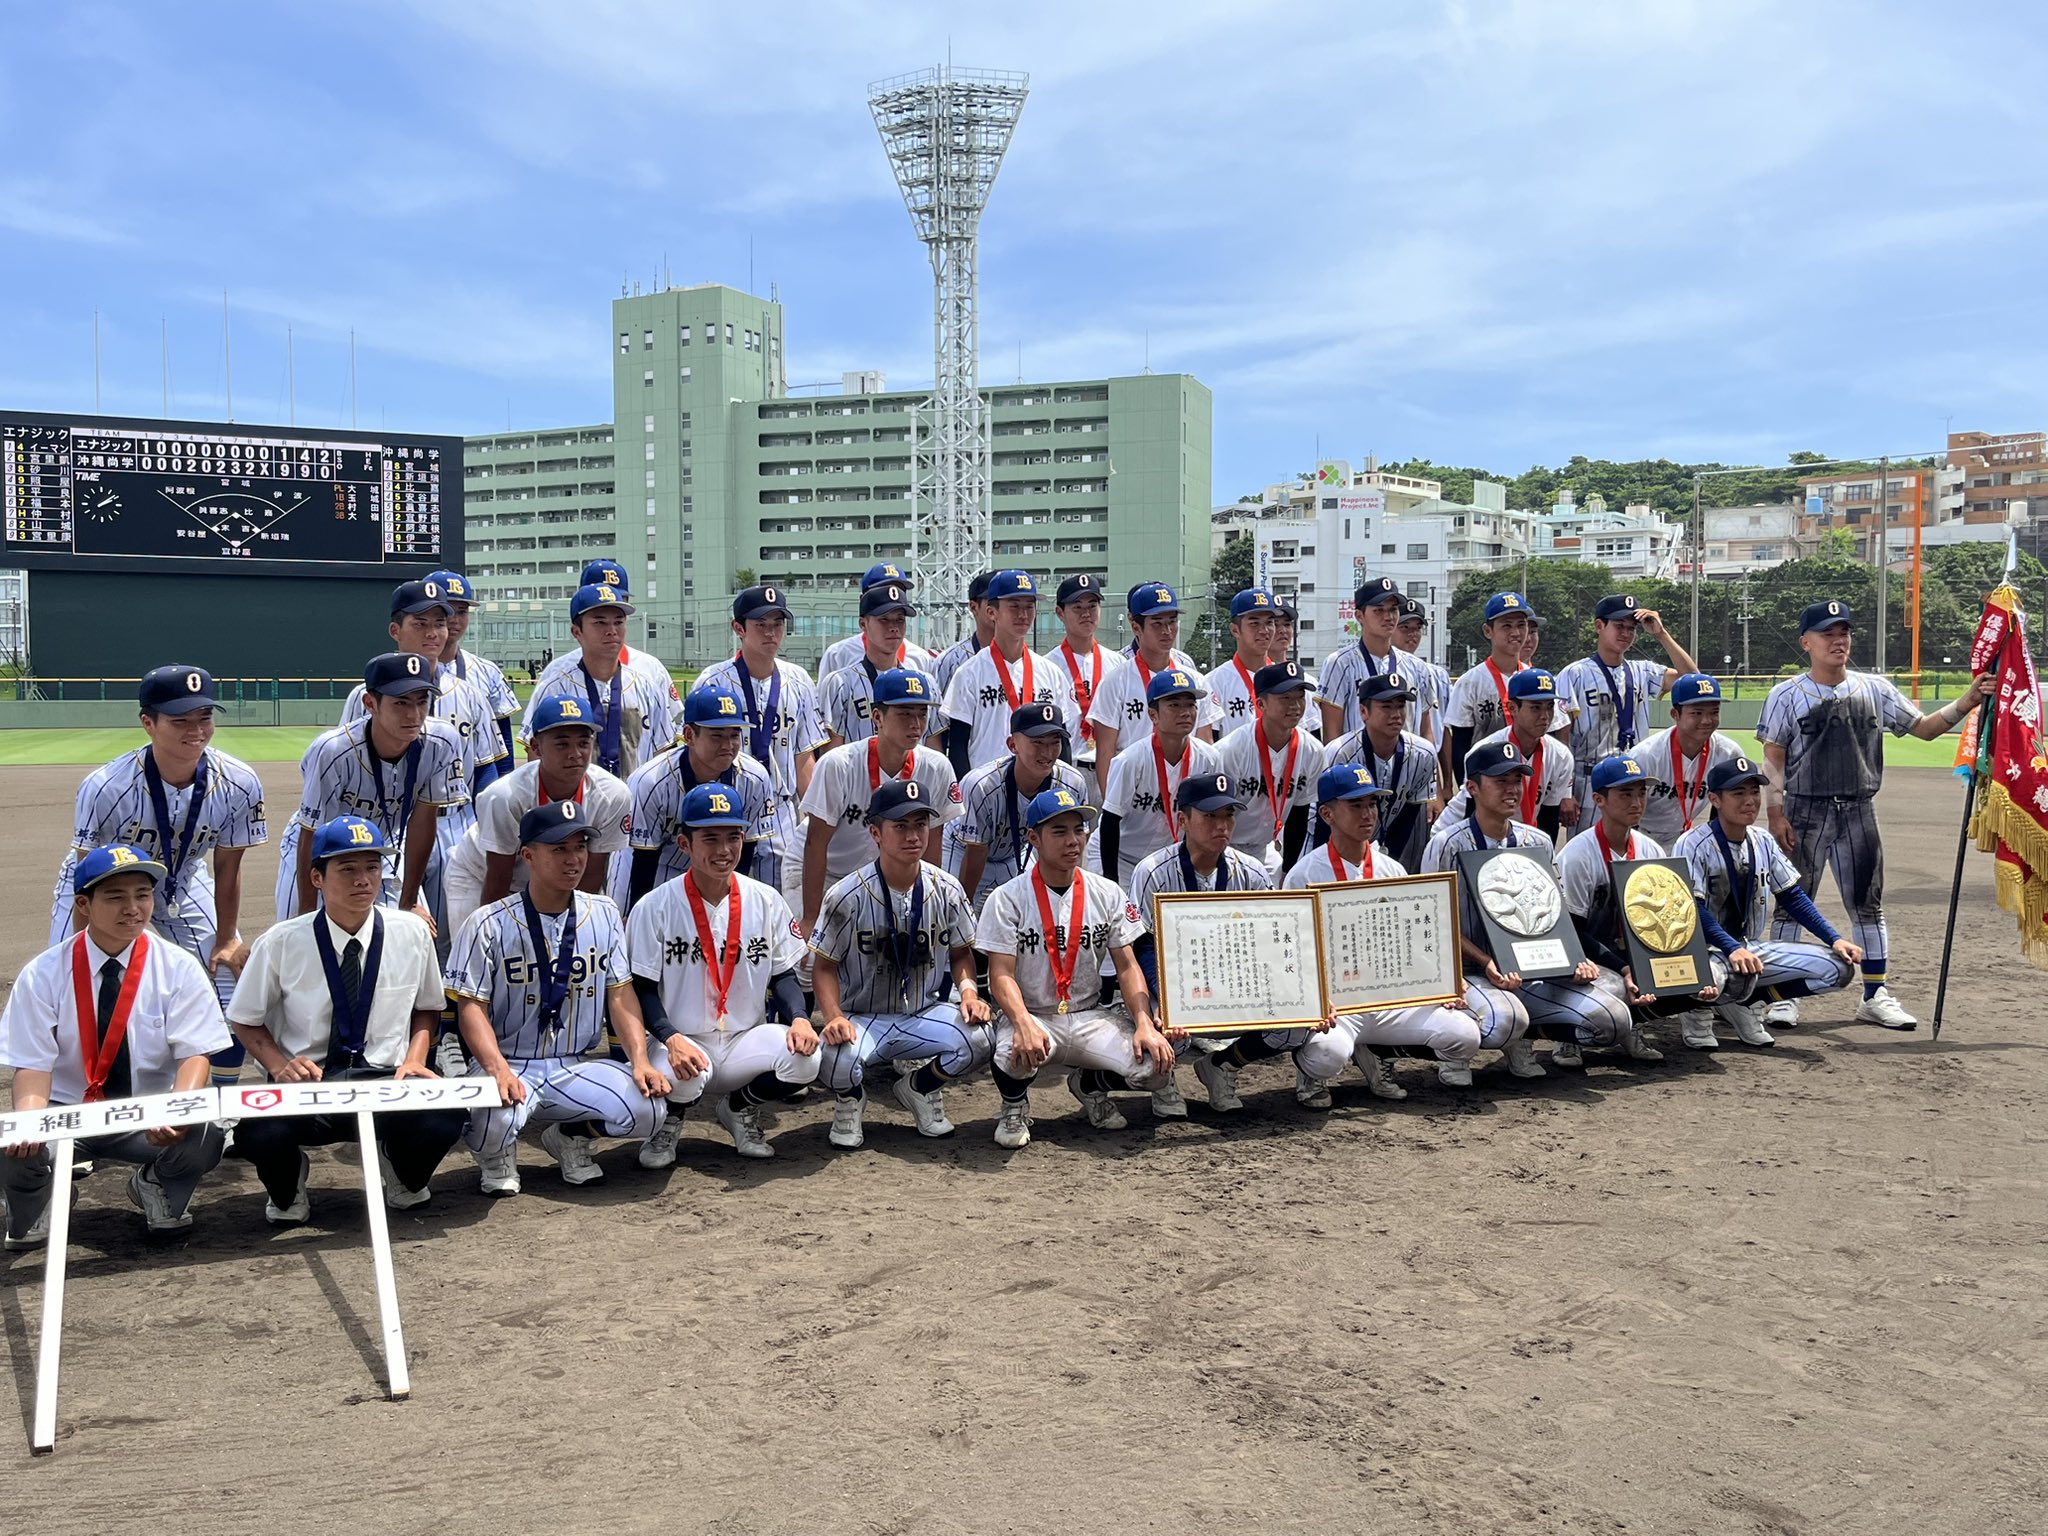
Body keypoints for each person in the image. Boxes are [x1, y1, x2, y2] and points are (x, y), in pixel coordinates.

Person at [1756, 599, 1992, 1029]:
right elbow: (1773, 758)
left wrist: (1968, 701)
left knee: (1868, 905)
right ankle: (1783, 996)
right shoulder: (1785, 695)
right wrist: (1775, 814)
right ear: (1806, 642)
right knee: (1790, 904)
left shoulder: (1875, 689)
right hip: (1804, 811)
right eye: (1827, 633)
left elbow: (1924, 728)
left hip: (1859, 811)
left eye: (1843, 632)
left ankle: (1875, 994)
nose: (1838, 640)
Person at [227, 818, 469, 1221]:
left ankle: (401, 1168)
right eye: (348, 869)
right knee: (257, 1132)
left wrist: (415, 1059)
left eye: (372, 867)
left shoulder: (411, 933)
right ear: (317, 878)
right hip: (310, 1083)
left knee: (447, 1116)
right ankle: (288, 1186)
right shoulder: (281, 941)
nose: (363, 880)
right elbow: (245, 1018)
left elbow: (427, 1007)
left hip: (385, 1080)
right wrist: (279, 1065)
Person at [448, 801, 688, 1195]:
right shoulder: (487, 922)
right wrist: (497, 1069)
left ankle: (570, 1138)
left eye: (580, 847)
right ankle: (495, 1154)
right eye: (559, 848)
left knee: (648, 1110)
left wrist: (640, 1060)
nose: (573, 858)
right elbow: (471, 1007)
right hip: (508, 1061)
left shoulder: (605, 913)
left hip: (573, 1064)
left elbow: (620, 994)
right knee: (496, 1119)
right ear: (528, 855)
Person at [2, 845, 231, 1247]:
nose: (133, 908)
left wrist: (177, 1108)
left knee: (206, 1131)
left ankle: (158, 1184)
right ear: (83, 905)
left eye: (143, 895)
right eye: (115, 897)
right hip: (66, 1112)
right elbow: (33, 1064)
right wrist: (30, 1123)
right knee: (12, 1145)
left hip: (147, 1111)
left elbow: (195, 1052)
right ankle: (39, 1198)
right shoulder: (43, 973)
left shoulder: (178, 967)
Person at [51, 665, 267, 1088]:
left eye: (204, 716)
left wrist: (226, 937)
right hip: (103, 886)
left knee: (230, 984)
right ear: (148, 723)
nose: (196, 730)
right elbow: (86, 873)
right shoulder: (107, 787)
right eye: (180, 720)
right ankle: (75, 1103)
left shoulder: (239, 782)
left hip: (183, 879)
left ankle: (217, 1109)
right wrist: (85, 948)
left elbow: (228, 866)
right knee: (72, 989)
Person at [976, 786, 1179, 1148]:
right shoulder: (1007, 898)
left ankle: (1089, 1085)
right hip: (1034, 1014)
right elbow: (1000, 974)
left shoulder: (1107, 892)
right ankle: (1014, 1105)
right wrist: (1021, 1022)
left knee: (1156, 1065)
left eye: (1079, 830)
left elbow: (1127, 966)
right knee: (1010, 1053)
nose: (1073, 841)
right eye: (1059, 831)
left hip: (1088, 1015)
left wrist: (1144, 1023)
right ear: (1034, 838)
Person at [627, 783, 819, 1161]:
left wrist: (799, 1017)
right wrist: (670, 1037)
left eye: (733, 837)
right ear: (684, 844)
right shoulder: (655, 906)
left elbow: (783, 974)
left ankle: (739, 1108)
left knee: (806, 1060)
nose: (724, 849)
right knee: (685, 1078)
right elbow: (642, 988)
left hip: (744, 1039)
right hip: (680, 1040)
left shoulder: (765, 899)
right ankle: (671, 1121)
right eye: (710, 838)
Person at [1280, 765, 1492, 1098]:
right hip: (1337, 1004)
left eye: (1372, 804)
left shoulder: (1391, 869)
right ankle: (1311, 1075)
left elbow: (1415, 941)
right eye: (1355, 805)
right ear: (1327, 814)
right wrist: (1315, 999)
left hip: (1389, 998)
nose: (1368, 814)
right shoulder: (1304, 874)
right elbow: (1290, 953)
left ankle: (1379, 1054)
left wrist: (1444, 983)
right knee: (1327, 1056)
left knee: (1464, 1035)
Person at [1420, 741, 1631, 1074]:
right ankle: (1459, 1050)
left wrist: (1574, 959)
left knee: (1613, 1020)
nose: (1512, 789)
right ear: (1472, 788)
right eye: (1500, 781)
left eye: (1517, 780)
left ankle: (1524, 1035)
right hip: (1470, 972)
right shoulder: (1446, 844)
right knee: (1504, 1022)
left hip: (1532, 971)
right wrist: (1486, 961)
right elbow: (1432, 923)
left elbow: (1556, 914)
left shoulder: (1538, 842)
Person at [1125, 773, 1323, 1111]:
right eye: (1210, 816)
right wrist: (1169, 999)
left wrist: (1307, 994)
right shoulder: (1153, 871)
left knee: (1296, 1026)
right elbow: (1142, 944)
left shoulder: (1252, 871)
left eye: (1228, 815)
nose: (1222, 825)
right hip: (1177, 988)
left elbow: (1276, 940)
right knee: (1165, 1027)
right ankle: (1165, 1079)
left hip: (1237, 986)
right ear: (1183, 820)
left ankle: (1222, 1065)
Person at [810, 781, 991, 1148]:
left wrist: (969, 994)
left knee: (983, 1036)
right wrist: (833, 1017)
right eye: (901, 826)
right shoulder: (846, 895)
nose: (913, 835)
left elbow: (961, 953)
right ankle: (851, 1099)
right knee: (832, 1057)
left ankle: (919, 1088)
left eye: (920, 824)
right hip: (862, 1018)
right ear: (875, 833)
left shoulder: (947, 888)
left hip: (922, 1013)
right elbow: (824, 966)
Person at [1675, 755, 1863, 1048]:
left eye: (1754, 792)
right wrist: (1732, 948)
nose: (1750, 800)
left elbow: (1792, 896)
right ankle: (1698, 1013)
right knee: (1712, 978)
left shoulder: (1761, 840)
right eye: (1738, 793)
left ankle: (1746, 1001)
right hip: (1702, 950)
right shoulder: (1692, 843)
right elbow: (1693, 910)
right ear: (1715, 799)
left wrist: (1835, 939)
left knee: (1838, 969)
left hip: (1747, 947)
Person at [1554, 755, 1726, 1050]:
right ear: (1599, 800)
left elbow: (1669, 920)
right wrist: (1624, 969)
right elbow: (1572, 933)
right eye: (1625, 794)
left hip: (1638, 955)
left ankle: (1635, 1027)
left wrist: (1693, 970)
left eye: (1641, 793)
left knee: (1713, 977)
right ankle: (1569, 1036)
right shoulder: (1577, 855)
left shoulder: (1650, 850)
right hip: (1587, 960)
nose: (1636, 802)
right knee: (1614, 990)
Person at [283, 652, 468, 925]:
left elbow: (422, 821)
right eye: (400, 703)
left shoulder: (441, 742)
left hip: (384, 845)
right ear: (370, 703)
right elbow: (312, 832)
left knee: (404, 930)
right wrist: (308, 914)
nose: (413, 714)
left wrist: (409, 902)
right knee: (298, 935)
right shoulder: (333, 751)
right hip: (321, 844)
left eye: (421, 701)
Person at [444, 695, 632, 933]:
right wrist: (492, 936)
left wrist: (572, 930)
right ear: (535, 747)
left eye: (583, 743)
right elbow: (498, 878)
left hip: (555, 881)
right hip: (481, 875)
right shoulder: (505, 796)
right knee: (480, 944)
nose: (575, 753)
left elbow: (592, 874)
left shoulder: (613, 795)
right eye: (562, 744)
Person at [799, 667, 960, 940]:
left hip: (888, 876)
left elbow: (932, 842)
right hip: (830, 872)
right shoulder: (838, 764)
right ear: (877, 717)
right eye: (905, 713)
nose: (916, 723)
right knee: (818, 951)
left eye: (922, 713)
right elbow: (816, 843)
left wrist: (928, 905)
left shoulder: (937, 767)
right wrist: (811, 918)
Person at [694, 584, 828, 913]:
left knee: (780, 906)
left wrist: (813, 815)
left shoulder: (798, 680)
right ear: (738, 628)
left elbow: (804, 757)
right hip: (725, 807)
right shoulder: (713, 681)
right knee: (721, 904)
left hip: (781, 810)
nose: (771, 633)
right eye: (761, 624)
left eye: (777, 624)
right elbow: (695, 752)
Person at [622, 682, 777, 912]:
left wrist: (731, 907)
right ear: (689, 735)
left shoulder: (754, 779)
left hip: (720, 871)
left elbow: (746, 850)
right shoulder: (651, 782)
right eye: (717, 736)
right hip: (660, 868)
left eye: (734, 735)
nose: (728, 745)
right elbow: (643, 858)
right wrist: (636, 915)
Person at [1556, 595, 1698, 834]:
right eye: (1619, 626)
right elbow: (1562, 738)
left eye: (1631, 628)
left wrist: (1661, 635)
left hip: (1634, 778)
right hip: (1591, 780)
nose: (1626, 633)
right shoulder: (1574, 674)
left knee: (1633, 851)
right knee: (1590, 849)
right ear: (1599, 625)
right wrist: (1565, 791)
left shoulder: (1643, 670)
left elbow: (1694, 681)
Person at [521, 583, 678, 781]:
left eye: (619, 622)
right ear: (577, 632)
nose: (612, 631)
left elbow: (664, 753)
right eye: (600, 622)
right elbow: (535, 754)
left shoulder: (647, 686)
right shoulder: (555, 686)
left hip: (635, 798)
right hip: (574, 798)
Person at [936, 569, 1078, 778]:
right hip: (986, 785)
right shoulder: (969, 672)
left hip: (1041, 785)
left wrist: (1060, 786)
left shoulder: (1050, 672)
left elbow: (1062, 741)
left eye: (1029, 606)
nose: (1023, 615)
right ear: (992, 612)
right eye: (1014, 606)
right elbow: (958, 745)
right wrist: (967, 790)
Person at [951, 703, 1094, 909]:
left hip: (1014, 855)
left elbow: (1076, 843)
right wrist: (965, 911)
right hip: (963, 850)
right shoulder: (981, 785)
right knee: (958, 910)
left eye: (1055, 742)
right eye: (1038, 742)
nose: (1047, 752)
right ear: (1013, 745)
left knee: (1037, 910)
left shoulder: (1072, 782)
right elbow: (976, 854)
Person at [1086, 582, 1220, 788]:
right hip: (1134, 789)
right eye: (1157, 624)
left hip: (1185, 787)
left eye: (1172, 622)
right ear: (1136, 627)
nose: (1167, 631)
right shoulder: (1115, 682)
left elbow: (1205, 744)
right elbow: (1105, 753)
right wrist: (1110, 802)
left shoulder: (1196, 681)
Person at [1100, 668, 1224, 888]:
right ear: (1153, 714)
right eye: (1174, 705)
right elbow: (1110, 822)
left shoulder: (1210, 758)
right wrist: (1111, 883)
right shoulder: (1130, 760)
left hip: (1172, 859)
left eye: (1190, 705)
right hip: (1123, 858)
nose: (1185, 712)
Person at [1431, 668, 1578, 839]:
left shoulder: (1560, 756)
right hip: (1468, 831)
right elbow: (1472, 811)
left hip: (1522, 836)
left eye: (1550, 706)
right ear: (1513, 708)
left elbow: (1548, 818)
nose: (1545, 716)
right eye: (1536, 707)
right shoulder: (1485, 750)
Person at [1316, 670, 1440, 870]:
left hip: (1388, 839)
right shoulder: (1340, 753)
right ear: (1363, 712)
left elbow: (1410, 816)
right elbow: (1324, 819)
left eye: (1401, 706)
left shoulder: (1423, 753)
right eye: (1386, 706)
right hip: (1330, 839)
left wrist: (1390, 863)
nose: (1396, 714)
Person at [1212, 659, 1321, 877]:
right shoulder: (1231, 750)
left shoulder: (1312, 750)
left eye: (1300, 696)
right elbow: (1213, 815)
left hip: (1266, 848)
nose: (1295, 705)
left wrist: (1288, 869)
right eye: (1285, 697)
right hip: (1222, 847)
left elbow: (1299, 814)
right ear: (1261, 704)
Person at [1633, 673, 1745, 849]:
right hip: (1641, 837)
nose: (1707, 720)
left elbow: (1727, 805)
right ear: (1675, 714)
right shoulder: (1646, 756)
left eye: (1714, 712)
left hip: (1688, 838)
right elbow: (1624, 808)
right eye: (1697, 713)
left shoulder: (1728, 753)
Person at [819, 581, 934, 747]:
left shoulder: (925, 682)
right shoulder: (839, 683)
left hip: (912, 765)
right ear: (863, 624)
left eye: (900, 620)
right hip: (857, 764)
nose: (893, 627)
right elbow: (831, 753)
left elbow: (933, 747)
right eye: (884, 619)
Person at [427, 568, 523, 761]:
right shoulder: (402, 670)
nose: (455, 619)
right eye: (448, 610)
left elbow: (503, 741)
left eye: (462, 611)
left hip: (473, 773)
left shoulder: (488, 671)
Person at [1441, 591, 1534, 786]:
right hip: (1486, 782)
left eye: (1521, 625)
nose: (1516, 633)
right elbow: (1460, 745)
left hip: (1530, 779)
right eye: (1506, 626)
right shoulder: (1470, 682)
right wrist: (1468, 788)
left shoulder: (1535, 679)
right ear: (1487, 631)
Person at [573, 557, 684, 721]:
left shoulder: (650, 667)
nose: (611, 601)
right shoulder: (559, 671)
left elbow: (671, 724)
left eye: (619, 597)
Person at [1316, 575, 1411, 742]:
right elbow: (1332, 735)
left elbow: (1426, 729)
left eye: (1393, 609)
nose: (1388, 617)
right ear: (1359, 616)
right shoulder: (1339, 663)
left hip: (1406, 757)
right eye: (1379, 610)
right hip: (1355, 757)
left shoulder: (1416, 666)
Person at [817, 563, 937, 678]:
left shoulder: (920, 658)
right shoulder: (838, 654)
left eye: (900, 589)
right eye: (883, 589)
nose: (892, 593)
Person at [1052, 573, 1113, 771]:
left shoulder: (1117, 664)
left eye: (1092, 606)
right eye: (1077, 607)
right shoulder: (1048, 666)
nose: (1086, 614)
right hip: (1069, 766)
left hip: (1112, 766)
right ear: (1060, 613)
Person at [1206, 587, 1282, 738]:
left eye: (1269, 622)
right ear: (1235, 630)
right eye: (1254, 624)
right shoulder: (1215, 681)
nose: (1264, 630)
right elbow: (1210, 743)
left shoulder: (1283, 679)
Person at [1393, 595, 1450, 749]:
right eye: (1405, 627)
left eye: (1418, 628)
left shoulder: (1438, 675)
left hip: (1422, 754)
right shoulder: (1379, 668)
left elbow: (1443, 727)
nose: (1412, 633)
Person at [930, 571, 997, 696]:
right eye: (994, 602)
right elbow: (936, 706)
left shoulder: (1027, 660)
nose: (1000, 609)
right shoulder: (951, 660)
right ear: (974, 607)